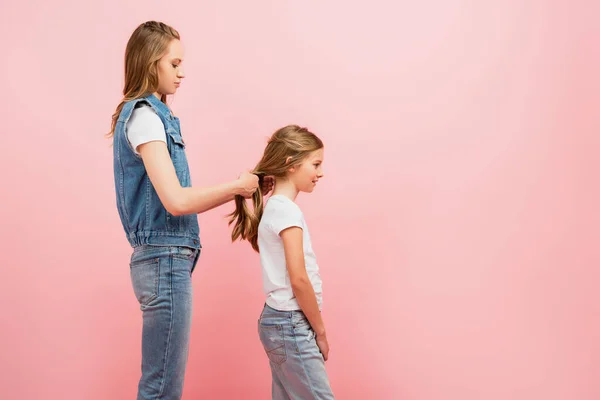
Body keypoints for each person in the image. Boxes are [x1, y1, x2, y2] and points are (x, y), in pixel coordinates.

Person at [107, 21, 271, 400]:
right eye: (174, 64)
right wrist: (236, 188)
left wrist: (243, 188)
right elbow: (176, 201)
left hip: (164, 260)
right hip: (164, 261)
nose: (182, 73)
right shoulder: (146, 117)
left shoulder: (150, 116)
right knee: (162, 389)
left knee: (160, 385)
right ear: (151, 62)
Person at [229, 125, 335, 399]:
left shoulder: (275, 208)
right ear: (290, 164)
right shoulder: (287, 212)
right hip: (292, 323)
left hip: (277, 321)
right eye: (316, 164)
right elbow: (299, 279)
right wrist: (320, 331)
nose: (320, 173)